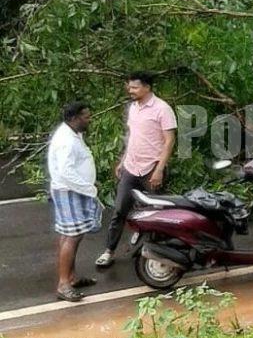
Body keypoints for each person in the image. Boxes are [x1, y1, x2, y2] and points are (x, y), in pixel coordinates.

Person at [95, 71, 177, 268]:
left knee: (156, 213)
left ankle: (158, 254)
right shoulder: (133, 107)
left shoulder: (162, 109)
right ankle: (109, 251)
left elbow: (169, 141)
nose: (130, 90)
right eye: (129, 87)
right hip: (131, 168)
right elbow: (132, 137)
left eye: (134, 87)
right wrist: (123, 160)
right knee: (119, 210)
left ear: (147, 87)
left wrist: (159, 170)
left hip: (151, 169)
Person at [48, 102, 101, 302]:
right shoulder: (66, 140)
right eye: (86, 117)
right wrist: (89, 189)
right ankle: (63, 284)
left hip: (72, 190)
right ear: (73, 118)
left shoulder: (73, 133)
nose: (89, 119)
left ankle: (71, 278)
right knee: (72, 236)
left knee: (70, 235)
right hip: (69, 191)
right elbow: (66, 172)